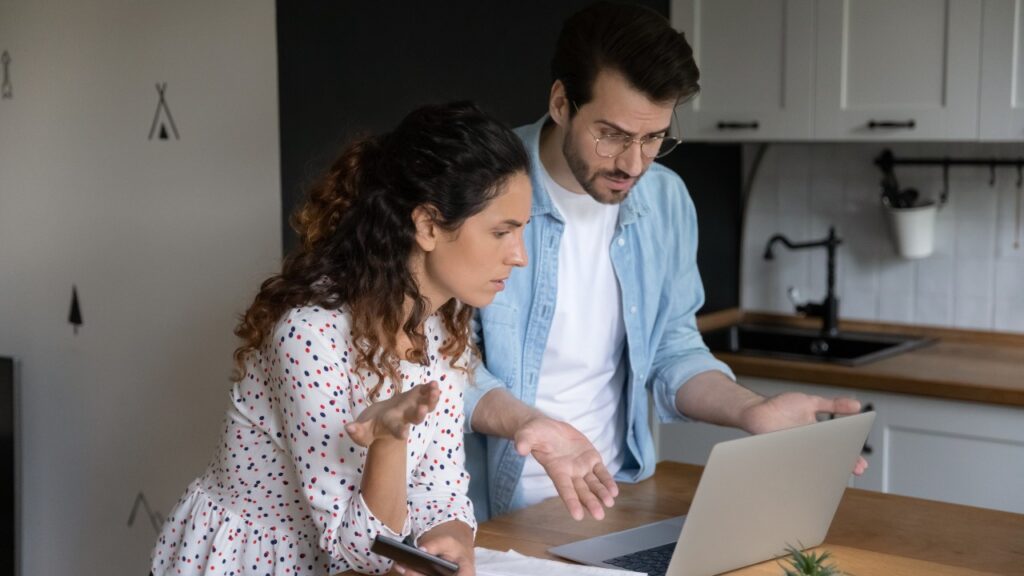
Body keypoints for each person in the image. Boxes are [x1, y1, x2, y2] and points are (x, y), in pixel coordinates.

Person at [464, 2, 867, 522]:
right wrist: (527, 423)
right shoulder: (477, 189)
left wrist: (750, 409)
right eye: (611, 134)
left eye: (653, 137)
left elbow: (672, 348)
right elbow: (436, 361)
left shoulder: (665, 200)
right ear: (562, 102)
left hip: (615, 501)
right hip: (491, 514)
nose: (633, 163)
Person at [151, 101, 531, 576]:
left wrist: (451, 535)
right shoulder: (309, 334)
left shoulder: (441, 326)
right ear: (429, 225)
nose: (519, 257)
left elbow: (440, 485)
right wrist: (388, 441)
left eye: (523, 232)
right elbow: (361, 552)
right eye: (502, 232)